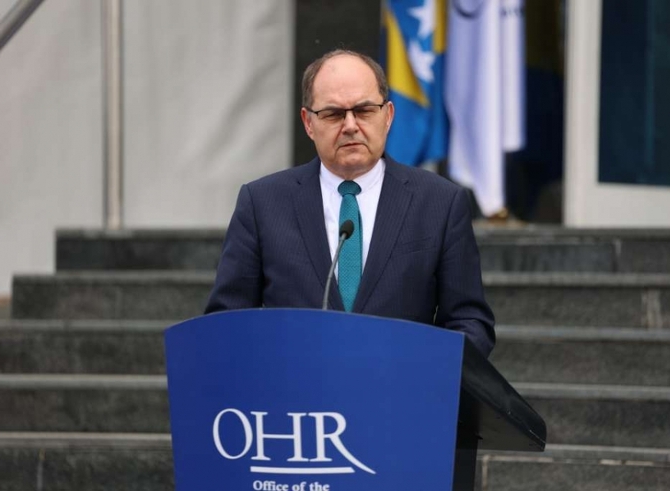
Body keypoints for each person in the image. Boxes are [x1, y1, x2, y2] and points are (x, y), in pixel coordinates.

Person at [205, 49, 495, 357]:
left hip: (402, 384)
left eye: (364, 110)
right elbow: (226, 323)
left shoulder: (440, 203)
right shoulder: (262, 204)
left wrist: (423, 368)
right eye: (333, 114)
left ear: (388, 116)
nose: (351, 125)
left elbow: (470, 322)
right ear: (308, 123)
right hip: (296, 385)